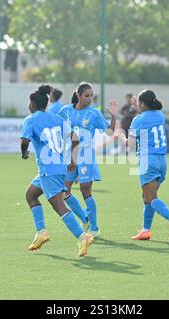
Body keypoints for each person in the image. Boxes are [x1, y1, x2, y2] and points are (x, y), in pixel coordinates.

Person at [21, 84, 93, 256]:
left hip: (49, 170)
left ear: (33, 104)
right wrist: (72, 160)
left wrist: (24, 153)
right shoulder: (57, 119)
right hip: (59, 167)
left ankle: (82, 237)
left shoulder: (30, 119)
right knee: (30, 195)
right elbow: (75, 138)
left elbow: (24, 141)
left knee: (59, 206)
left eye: (29, 103)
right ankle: (41, 232)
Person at [58, 82, 119, 239]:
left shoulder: (94, 113)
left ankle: (95, 227)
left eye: (92, 96)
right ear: (78, 95)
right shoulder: (65, 111)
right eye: (87, 96)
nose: (90, 98)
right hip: (70, 156)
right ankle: (85, 218)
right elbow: (57, 128)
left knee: (86, 190)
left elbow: (110, 132)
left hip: (86, 157)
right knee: (64, 191)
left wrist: (113, 115)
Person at [127, 90, 169, 241]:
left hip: (147, 160)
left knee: (151, 198)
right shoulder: (160, 115)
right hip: (162, 161)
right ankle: (146, 230)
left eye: (138, 102)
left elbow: (130, 145)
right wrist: (137, 109)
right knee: (146, 196)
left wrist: (119, 137)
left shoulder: (138, 120)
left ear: (143, 103)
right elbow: (146, 119)